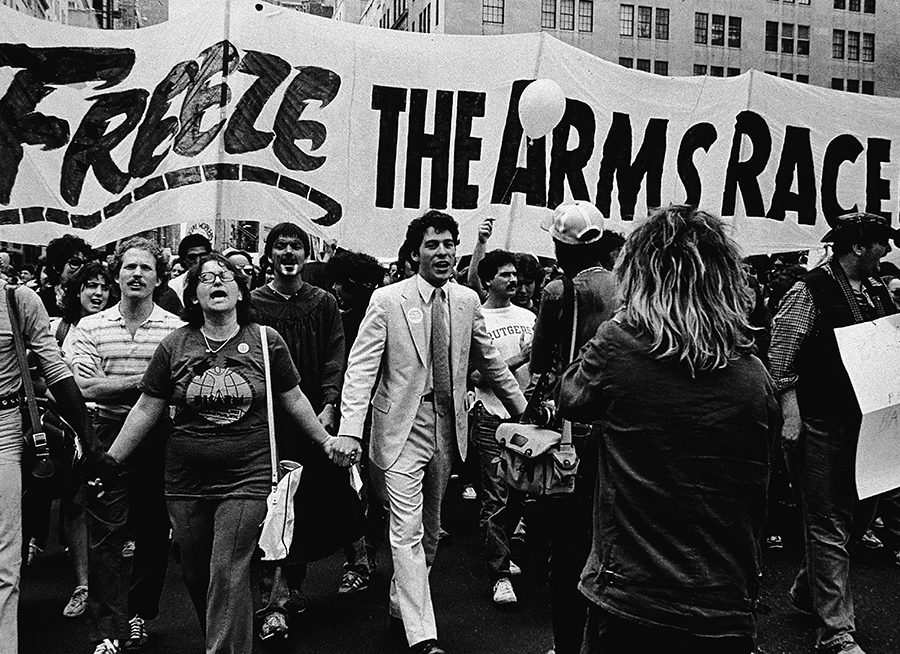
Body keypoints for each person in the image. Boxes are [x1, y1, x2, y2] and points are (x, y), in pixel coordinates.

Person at [102, 253, 358, 654]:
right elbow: (147, 408)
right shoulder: (175, 345)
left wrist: (326, 442)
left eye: (224, 276)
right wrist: (111, 460)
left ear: (240, 290)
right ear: (194, 294)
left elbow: (293, 398)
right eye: (205, 278)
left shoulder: (264, 340)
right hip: (185, 480)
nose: (216, 282)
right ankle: (226, 639)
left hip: (247, 474)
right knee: (196, 573)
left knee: (229, 568)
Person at [559, 204, 779, 653]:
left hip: (632, 592)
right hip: (724, 599)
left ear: (641, 277)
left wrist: (620, 320)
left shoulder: (619, 347)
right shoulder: (753, 375)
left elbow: (572, 397)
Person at [339, 209, 527, 654]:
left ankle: (400, 607)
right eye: (432, 245)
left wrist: (525, 411)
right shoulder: (388, 301)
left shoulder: (465, 301)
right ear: (414, 253)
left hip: (449, 429)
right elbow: (361, 368)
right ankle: (423, 637)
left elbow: (492, 365)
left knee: (431, 531)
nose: (442, 253)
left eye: (448, 245)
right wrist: (350, 430)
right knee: (405, 531)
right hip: (400, 428)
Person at [770, 211, 898, 654]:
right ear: (858, 247)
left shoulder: (879, 293)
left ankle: (809, 592)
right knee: (828, 524)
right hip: (822, 423)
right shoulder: (809, 290)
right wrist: (791, 415)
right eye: (881, 242)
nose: (888, 250)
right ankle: (836, 632)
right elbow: (781, 357)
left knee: (858, 518)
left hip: (869, 425)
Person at [71, 237, 184, 654]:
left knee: (154, 530)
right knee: (105, 533)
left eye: (146, 268)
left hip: (158, 438)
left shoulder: (175, 329)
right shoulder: (91, 326)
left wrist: (121, 388)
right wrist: (144, 384)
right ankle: (108, 631)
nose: (137, 274)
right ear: (117, 274)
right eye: (129, 267)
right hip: (105, 435)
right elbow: (83, 385)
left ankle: (138, 614)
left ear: (159, 277)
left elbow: (175, 392)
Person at [250, 222, 351, 640]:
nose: (288, 253)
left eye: (296, 246)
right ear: (269, 255)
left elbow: (334, 357)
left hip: (312, 421)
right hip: (265, 424)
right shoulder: (252, 304)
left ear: (306, 255)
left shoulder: (323, 302)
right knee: (268, 509)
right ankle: (271, 600)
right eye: (280, 246)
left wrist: (329, 404)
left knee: (302, 509)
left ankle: (293, 586)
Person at [529, 200, 619, 654]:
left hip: (571, 425)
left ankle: (568, 644)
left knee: (567, 543)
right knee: (607, 534)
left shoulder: (559, 292)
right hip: (616, 423)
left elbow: (542, 359)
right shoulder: (627, 285)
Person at [0, 278, 94, 654]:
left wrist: (90, 439)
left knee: (5, 561)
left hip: (4, 429)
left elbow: (54, 370)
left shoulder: (17, 299)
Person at [469, 249, 535, 606]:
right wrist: (520, 357)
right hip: (491, 417)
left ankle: (505, 551)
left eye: (515, 275)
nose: (513, 280)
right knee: (495, 497)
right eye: (505, 275)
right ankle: (499, 574)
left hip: (526, 419)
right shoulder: (476, 318)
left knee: (520, 495)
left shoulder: (529, 316)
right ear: (488, 280)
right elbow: (477, 375)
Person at [50, 262, 116, 619]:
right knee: (76, 502)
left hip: (109, 421)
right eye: (90, 286)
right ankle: (82, 585)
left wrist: (96, 381)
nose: (97, 293)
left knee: (112, 504)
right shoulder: (58, 330)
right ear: (76, 292)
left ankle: (114, 589)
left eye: (104, 287)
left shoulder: (116, 328)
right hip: (72, 425)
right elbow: (59, 381)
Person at [326, 250, 388, 596]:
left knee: (375, 494)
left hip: (380, 415)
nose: (337, 290)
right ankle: (358, 560)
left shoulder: (381, 314)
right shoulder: (333, 315)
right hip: (347, 416)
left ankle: (369, 553)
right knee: (350, 489)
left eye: (344, 286)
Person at [40, 235, 93, 317]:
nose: (82, 268)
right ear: (57, 267)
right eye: (75, 263)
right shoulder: (42, 300)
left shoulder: (93, 296)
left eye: (86, 263)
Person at [168, 233, 212, 301]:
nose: (198, 261)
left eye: (203, 256)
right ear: (184, 260)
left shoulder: (220, 281)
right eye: (192, 257)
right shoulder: (174, 286)